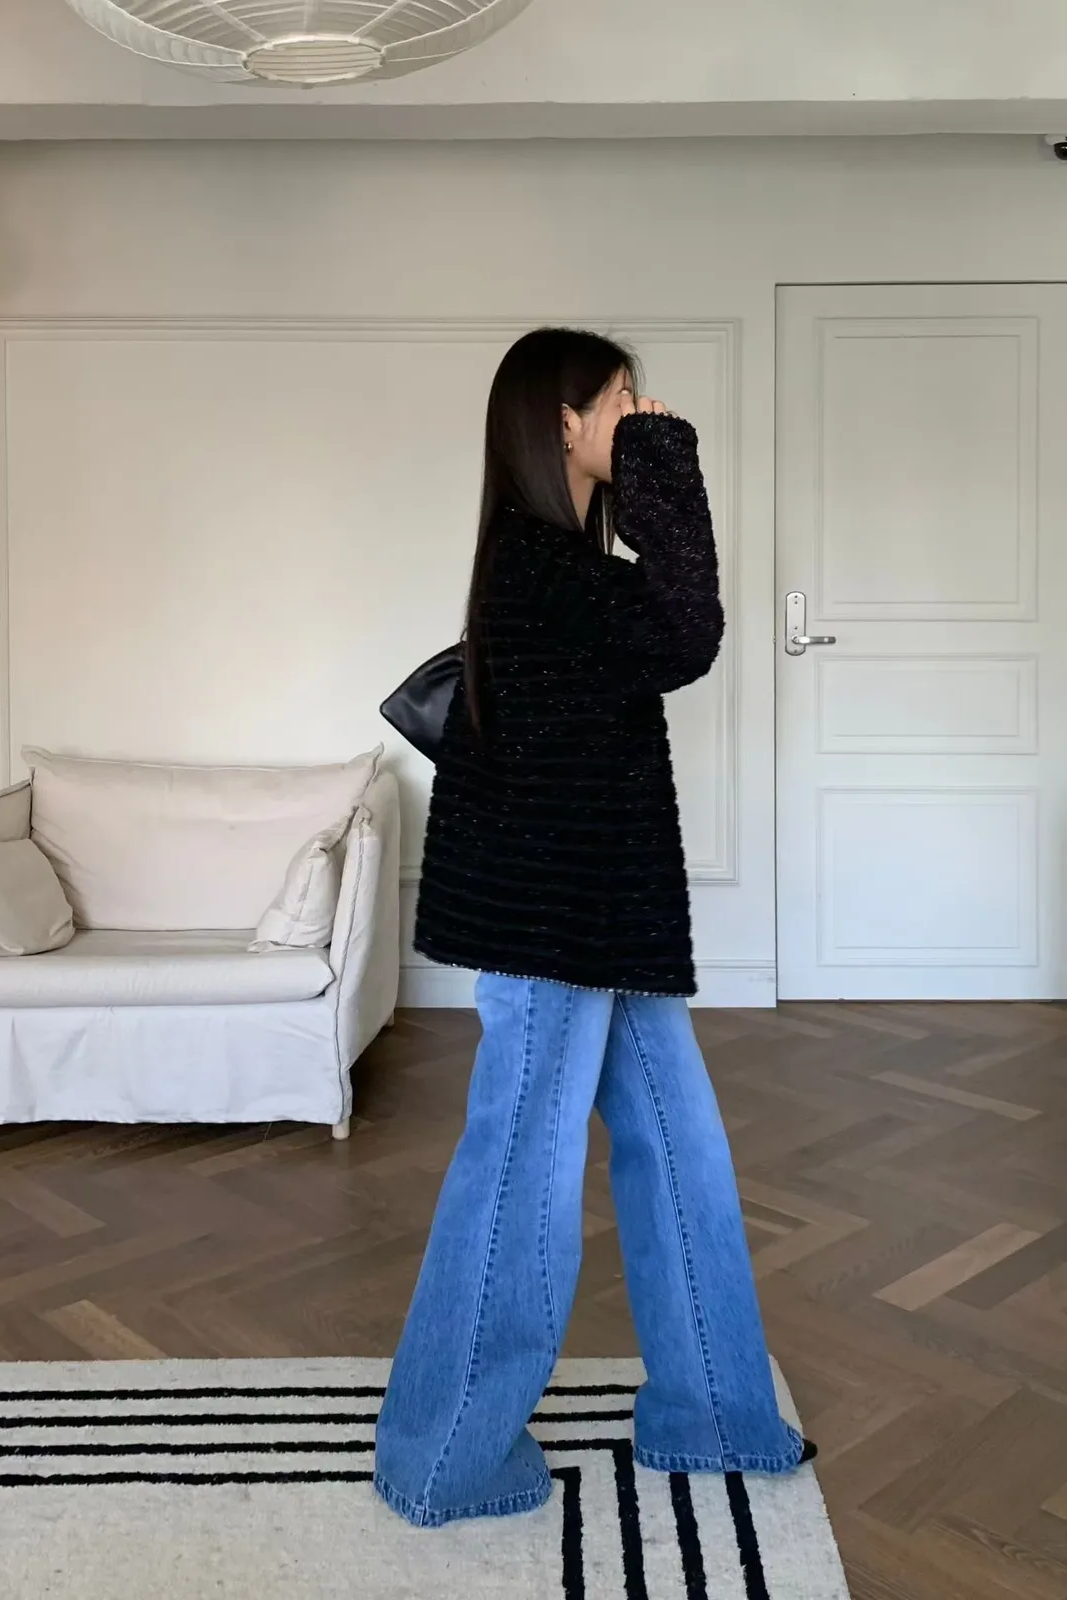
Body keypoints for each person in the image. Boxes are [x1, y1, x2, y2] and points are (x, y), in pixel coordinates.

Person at [374, 327, 809, 1530]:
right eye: (624, 398)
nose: (643, 411)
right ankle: (444, 1457)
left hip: (601, 917)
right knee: (520, 1168)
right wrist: (666, 458)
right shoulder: (536, 564)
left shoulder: (556, 561)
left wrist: (647, 454)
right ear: (563, 422)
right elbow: (687, 629)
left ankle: (712, 1414)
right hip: (557, 922)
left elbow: (666, 628)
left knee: (680, 1148)